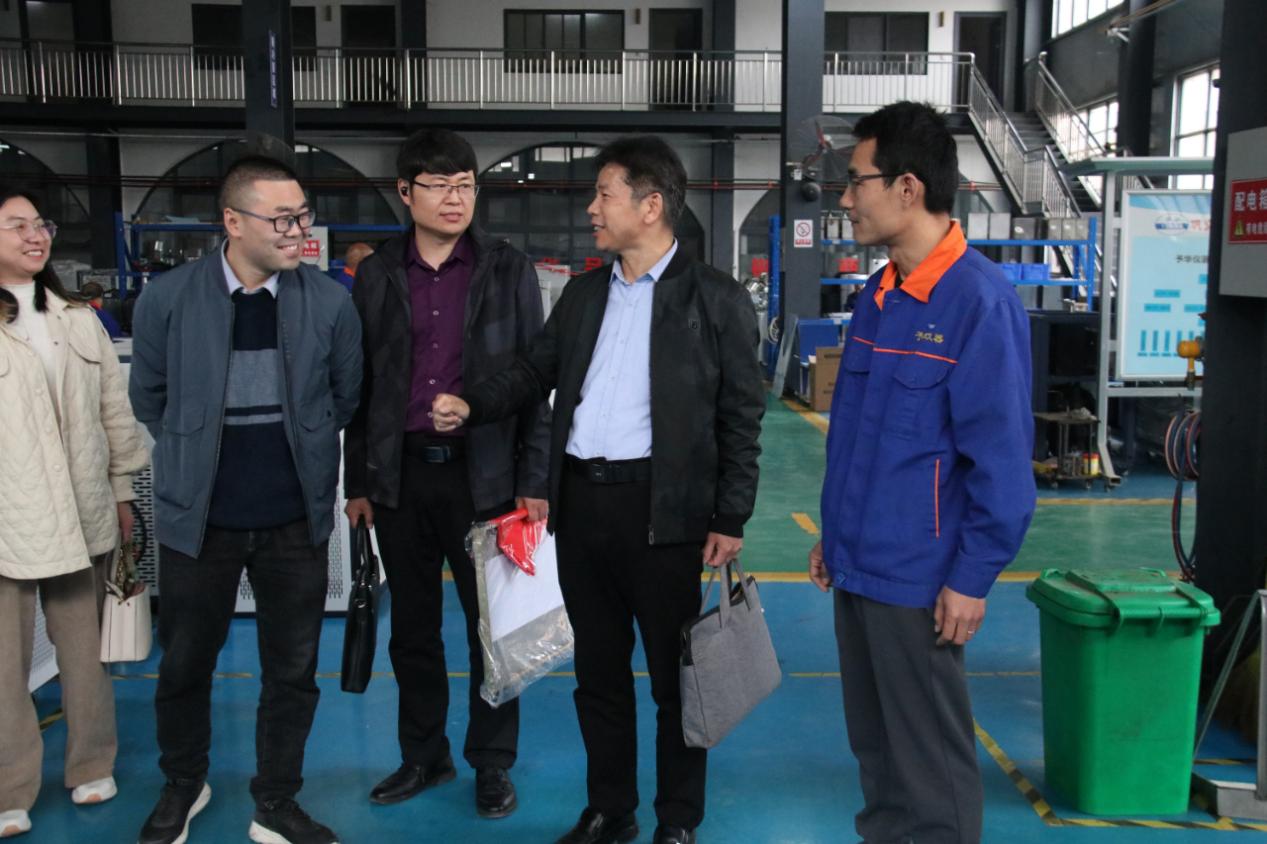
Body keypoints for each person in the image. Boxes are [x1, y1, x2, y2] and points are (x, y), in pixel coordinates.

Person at [432, 135, 765, 844]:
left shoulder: (714, 298)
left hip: (664, 515)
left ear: (650, 206)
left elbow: (741, 416)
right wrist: (473, 403)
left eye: (603, 194)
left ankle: (677, 820)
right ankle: (611, 810)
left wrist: (730, 515)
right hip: (582, 508)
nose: (591, 208)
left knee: (676, 681)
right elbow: (533, 373)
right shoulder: (586, 295)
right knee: (599, 675)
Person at [808, 101, 1036, 844]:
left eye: (856, 181)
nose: (845, 199)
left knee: (929, 770)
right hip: (859, 567)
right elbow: (860, 440)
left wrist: (971, 577)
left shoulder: (978, 302)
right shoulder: (879, 297)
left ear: (907, 188)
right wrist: (835, 535)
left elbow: (1002, 465)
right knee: (877, 759)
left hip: (921, 581)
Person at [128, 155, 362, 844]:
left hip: (295, 521)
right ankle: (183, 783)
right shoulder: (169, 299)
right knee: (184, 665)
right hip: (197, 521)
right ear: (232, 221)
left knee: (291, 672)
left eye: (302, 216)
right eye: (281, 219)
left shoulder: (329, 302)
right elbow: (150, 397)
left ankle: (276, 800)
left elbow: (345, 395)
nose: (297, 231)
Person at [343, 128, 550, 818]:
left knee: (492, 630)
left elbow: (534, 377)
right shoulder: (377, 274)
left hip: (484, 478)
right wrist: (358, 482)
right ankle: (422, 755)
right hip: (401, 478)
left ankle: (492, 762)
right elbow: (361, 385)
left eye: (465, 184)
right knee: (413, 632)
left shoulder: (506, 268)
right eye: (439, 185)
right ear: (406, 192)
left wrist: (534, 479)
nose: (455, 198)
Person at [0, 185, 149, 839]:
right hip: (8, 517)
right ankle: (9, 787)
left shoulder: (79, 320)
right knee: (3, 664)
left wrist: (121, 492)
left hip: (83, 510)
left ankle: (91, 763)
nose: (36, 236)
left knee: (84, 653)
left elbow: (114, 413)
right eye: (17, 226)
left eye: (41, 225)